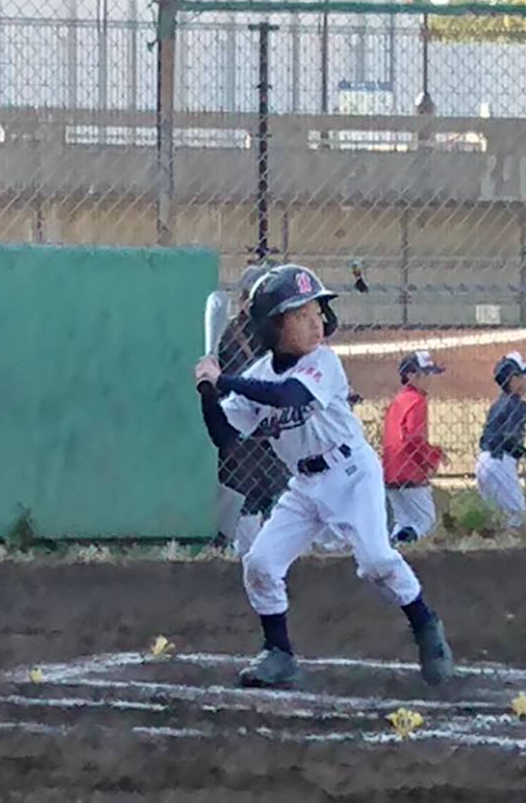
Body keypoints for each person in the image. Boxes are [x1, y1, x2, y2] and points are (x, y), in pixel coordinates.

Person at [193, 265, 452, 690]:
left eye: (316, 310)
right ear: (274, 326)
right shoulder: (257, 376)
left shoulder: (323, 362)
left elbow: (289, 395)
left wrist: (225, 380)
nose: (316, 322)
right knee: (259, 563)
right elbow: (223, 436)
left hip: (351, 473)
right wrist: (207, 392)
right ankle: (278, 653)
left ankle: (425, 624)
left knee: (376, 561)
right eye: (300, 315)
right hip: (305, 485)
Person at [213, 265, 290, 556]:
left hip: (271, 428)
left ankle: (267, 553)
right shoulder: (232, 334)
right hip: (243, 426)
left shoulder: (274, 333)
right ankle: (242, 552)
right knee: (246, 494)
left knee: (275, 493)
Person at [383, 351, 447, 544]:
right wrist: (431, 458)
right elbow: (413, 437)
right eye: (424, 374)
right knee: (425, 521)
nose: (429, 380)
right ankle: (399, 544)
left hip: (390, 470)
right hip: (410, 470)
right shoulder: (417, 401)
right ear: (410, 376)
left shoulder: (399, 400)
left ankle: (394, 547)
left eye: (430, 374)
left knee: (402, 521)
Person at [476, 352, 526, 529]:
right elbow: (509, 438)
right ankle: (513, 553)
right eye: (522, 376)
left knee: (497, 517)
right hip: (500, 462)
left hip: (483, 463)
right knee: (517, 517)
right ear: (513, 380)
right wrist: (525, 453)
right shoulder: (518, 405)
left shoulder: (497, 403)